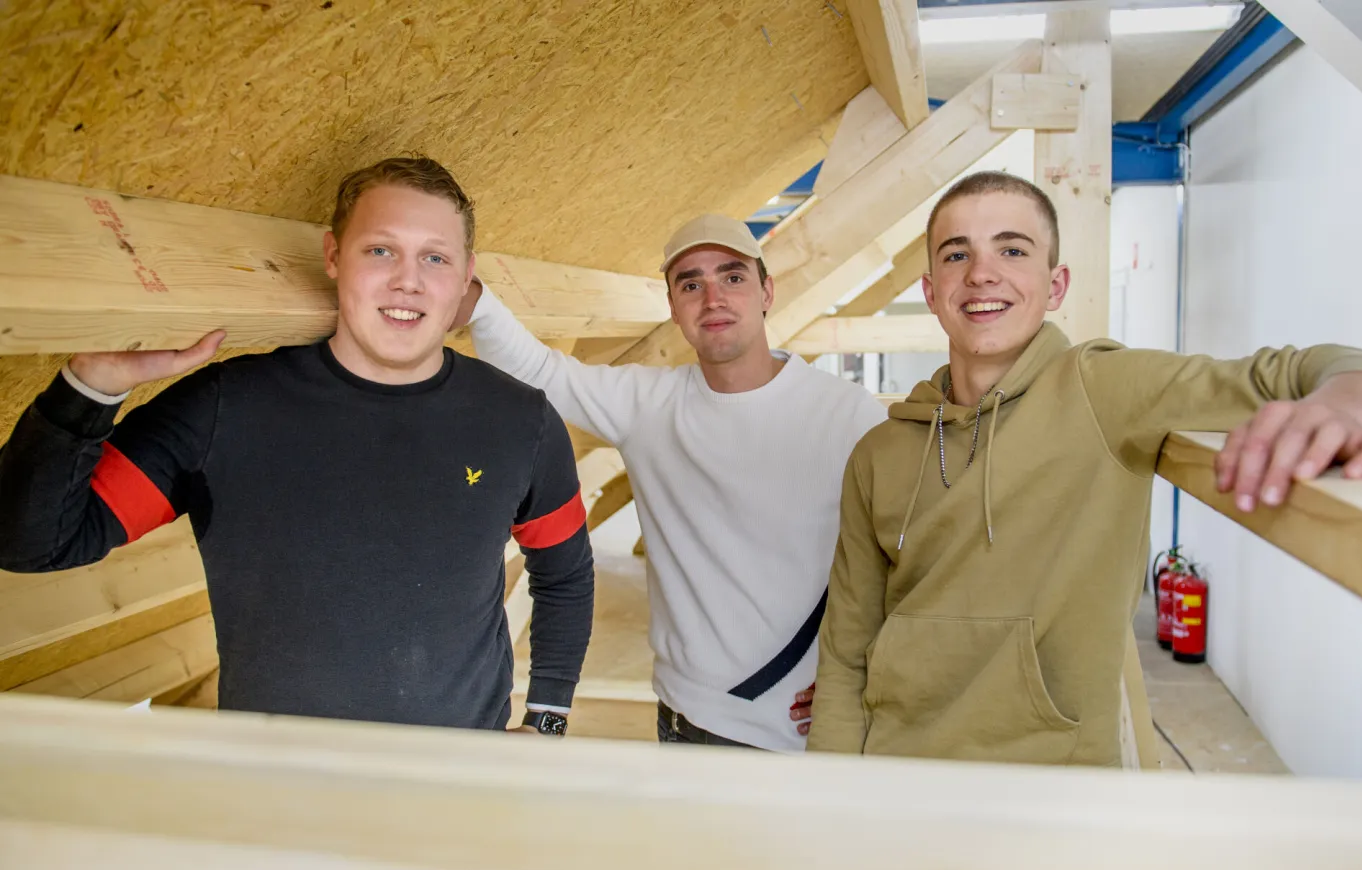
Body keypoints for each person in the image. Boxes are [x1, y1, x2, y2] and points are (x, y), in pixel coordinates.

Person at [806, 171, 1362, 766]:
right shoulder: (879, 451)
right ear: (932, 290)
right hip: (893, 764)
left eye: (1012, 249)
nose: (982, 272)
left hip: (1052, 770)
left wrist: (1352, 404)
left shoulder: (1106, 391)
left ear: (1057, 285)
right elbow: (848, 645)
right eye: (956, 254)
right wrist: (831, 785)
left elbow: (1319, 370)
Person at [0, 157, 594, 736]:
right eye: (380, 249)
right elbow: (35, 544)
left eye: (434, 257)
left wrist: (546, 721)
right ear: (334, 256)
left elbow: (564, 575)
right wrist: (91, 385)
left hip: (460, 784)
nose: (407, 281)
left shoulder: (521, 421)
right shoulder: (225, 410)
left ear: (466, 276)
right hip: (277, 787)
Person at [459, 213, 886, 750]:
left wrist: (863, 675)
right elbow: (541, 372)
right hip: (683, 721)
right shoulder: (649, 405)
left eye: (732, 277)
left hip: (804, 734)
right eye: (691, 284)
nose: (713, 298)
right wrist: (473, 299)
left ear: (766, 292)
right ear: (674, 308)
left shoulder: (848, 415)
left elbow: (901, 558)